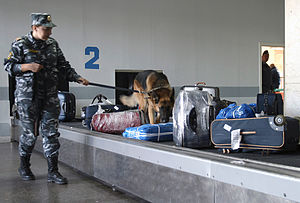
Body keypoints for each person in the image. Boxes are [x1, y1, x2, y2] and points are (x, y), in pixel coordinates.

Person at [4, 13, 89, 184]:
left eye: (50, 28)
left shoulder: (53, 44)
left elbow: (63, 66)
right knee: (30, 135)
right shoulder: (20, 44)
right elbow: (8, 66)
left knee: (51, 134)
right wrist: (27, 66)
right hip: (28, 98)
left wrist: (77, 77)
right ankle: (24, 166)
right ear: (35, 28)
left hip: (50, 96)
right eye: (46, 29)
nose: (50, 32)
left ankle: (53, 172)